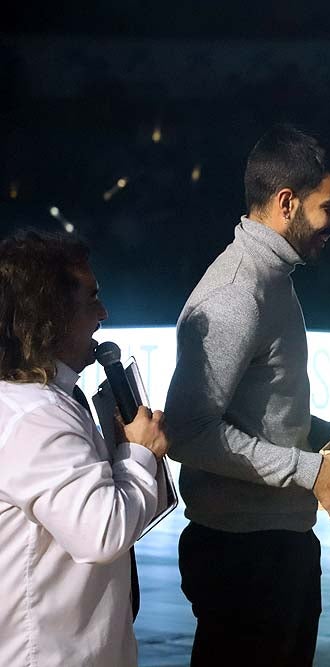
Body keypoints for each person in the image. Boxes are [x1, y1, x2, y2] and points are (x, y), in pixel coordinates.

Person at [165, 125, 330, 667]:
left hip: (272, 545)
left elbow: (263, 409)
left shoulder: (272, 277)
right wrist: (313, 471)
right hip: (243, 555)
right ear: (287, 203)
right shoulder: (237, 291)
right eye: (329, 208)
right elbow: (188, 432)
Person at [0, 230, 168, 666]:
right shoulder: (34, 419)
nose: (103, 313)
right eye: (91, 299)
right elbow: (102, 532)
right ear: (50, 317)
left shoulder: (44, 402)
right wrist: (139, 454)